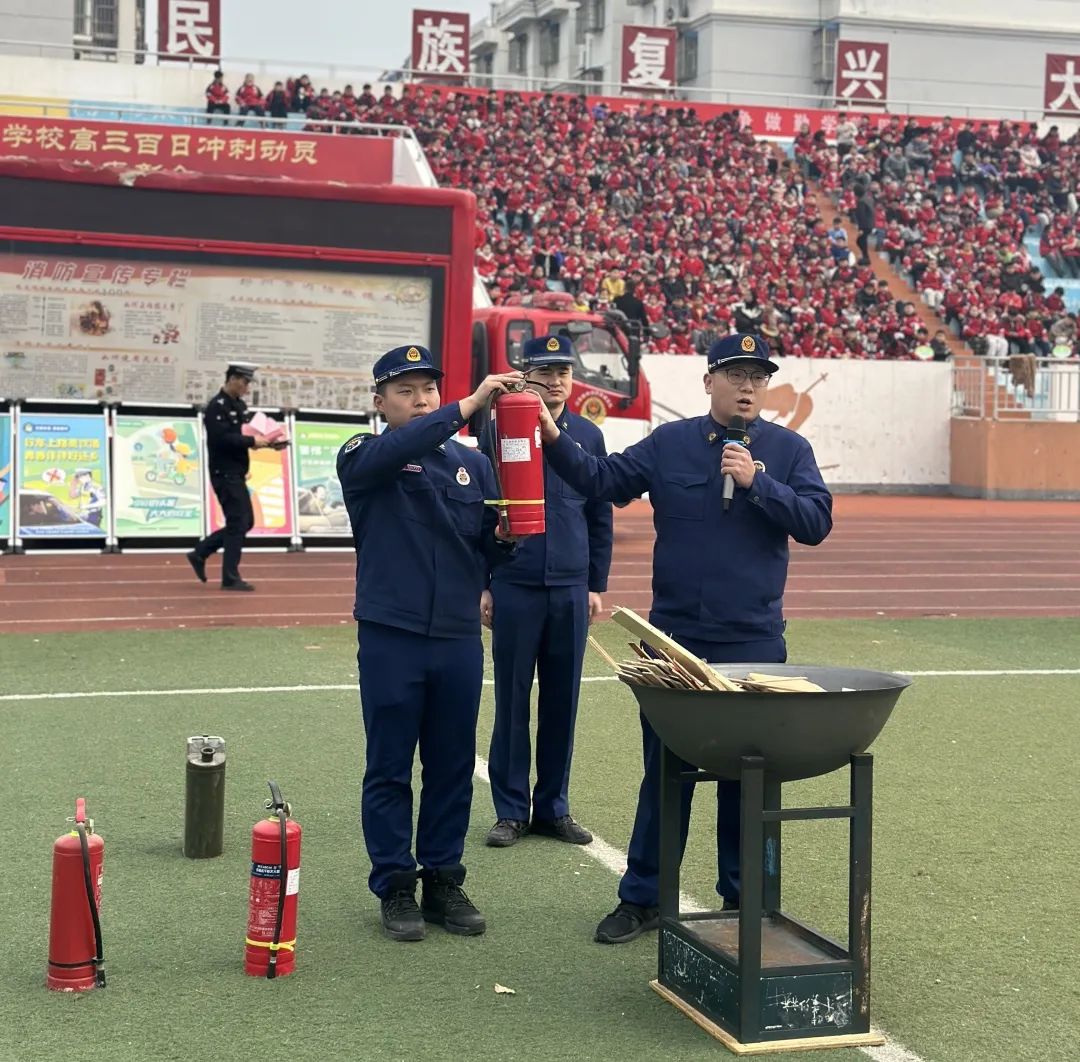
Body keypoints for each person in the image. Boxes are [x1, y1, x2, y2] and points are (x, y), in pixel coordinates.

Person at [534, 333, 832, 944]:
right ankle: (643, 897)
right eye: (734, 374)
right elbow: (600, 480)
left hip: (753, 644)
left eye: (757, 376)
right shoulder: (670, 443)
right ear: (708, 382)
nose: (747, 386)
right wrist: (551, 435)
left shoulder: (788, 449)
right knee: (664, 771)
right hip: (672, 643)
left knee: (747, 778)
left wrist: (759, 484)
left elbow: (816, 522)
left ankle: (745, 902)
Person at [337, 345, 526, 942]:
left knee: (449, 765)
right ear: (379, 402)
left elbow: (483, 548)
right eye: (404, 392)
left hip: (456, 637)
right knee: (390, 765)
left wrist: (503, 540)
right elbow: (398, 450)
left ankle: (443, 877)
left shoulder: (471, 465)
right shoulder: (364, 454)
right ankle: (395, 884)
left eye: (428, 391)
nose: (420, 401)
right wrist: (468, 406)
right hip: (392, 635)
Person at [482, 336, 613, 849]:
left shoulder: (587, 437)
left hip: (570, 587)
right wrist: (484, 582)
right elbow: (480, 510)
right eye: (545, 371)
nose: (556, 380)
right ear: (525, 375)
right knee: (512, 701)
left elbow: (599, 513)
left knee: (563, 701)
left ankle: (553, 807)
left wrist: (595, 584)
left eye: (564, 372)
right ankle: (511, 811)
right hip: (514, 583)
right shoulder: (496, 430)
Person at [187, 363, 283, 591]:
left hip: (237, 472)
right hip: (224, 472)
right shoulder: (215, 407)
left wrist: (269, 443)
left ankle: (200, 553)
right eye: (245, 382)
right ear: (233, 379)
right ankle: (229, 576)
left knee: (244, 521)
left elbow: (248, 434)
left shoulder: (239, 406)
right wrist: (252, 442)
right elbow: (223, 439)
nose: (246, 387)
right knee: (238, 522)